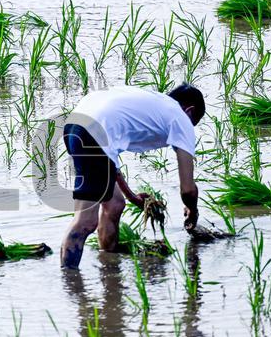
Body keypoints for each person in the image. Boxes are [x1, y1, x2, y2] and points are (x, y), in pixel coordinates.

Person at [59, 84, 205, 269]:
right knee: (86, 222)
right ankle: (70, 282)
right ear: (190, 111)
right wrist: (192, 211)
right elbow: (188, 189)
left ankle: (109, 268)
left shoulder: (155, 104)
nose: (189, 129)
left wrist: (131, 196)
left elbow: (109, 156)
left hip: (76, 124)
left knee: (114, 205)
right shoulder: (180, 118)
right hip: (94, 134)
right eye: (193, 123)